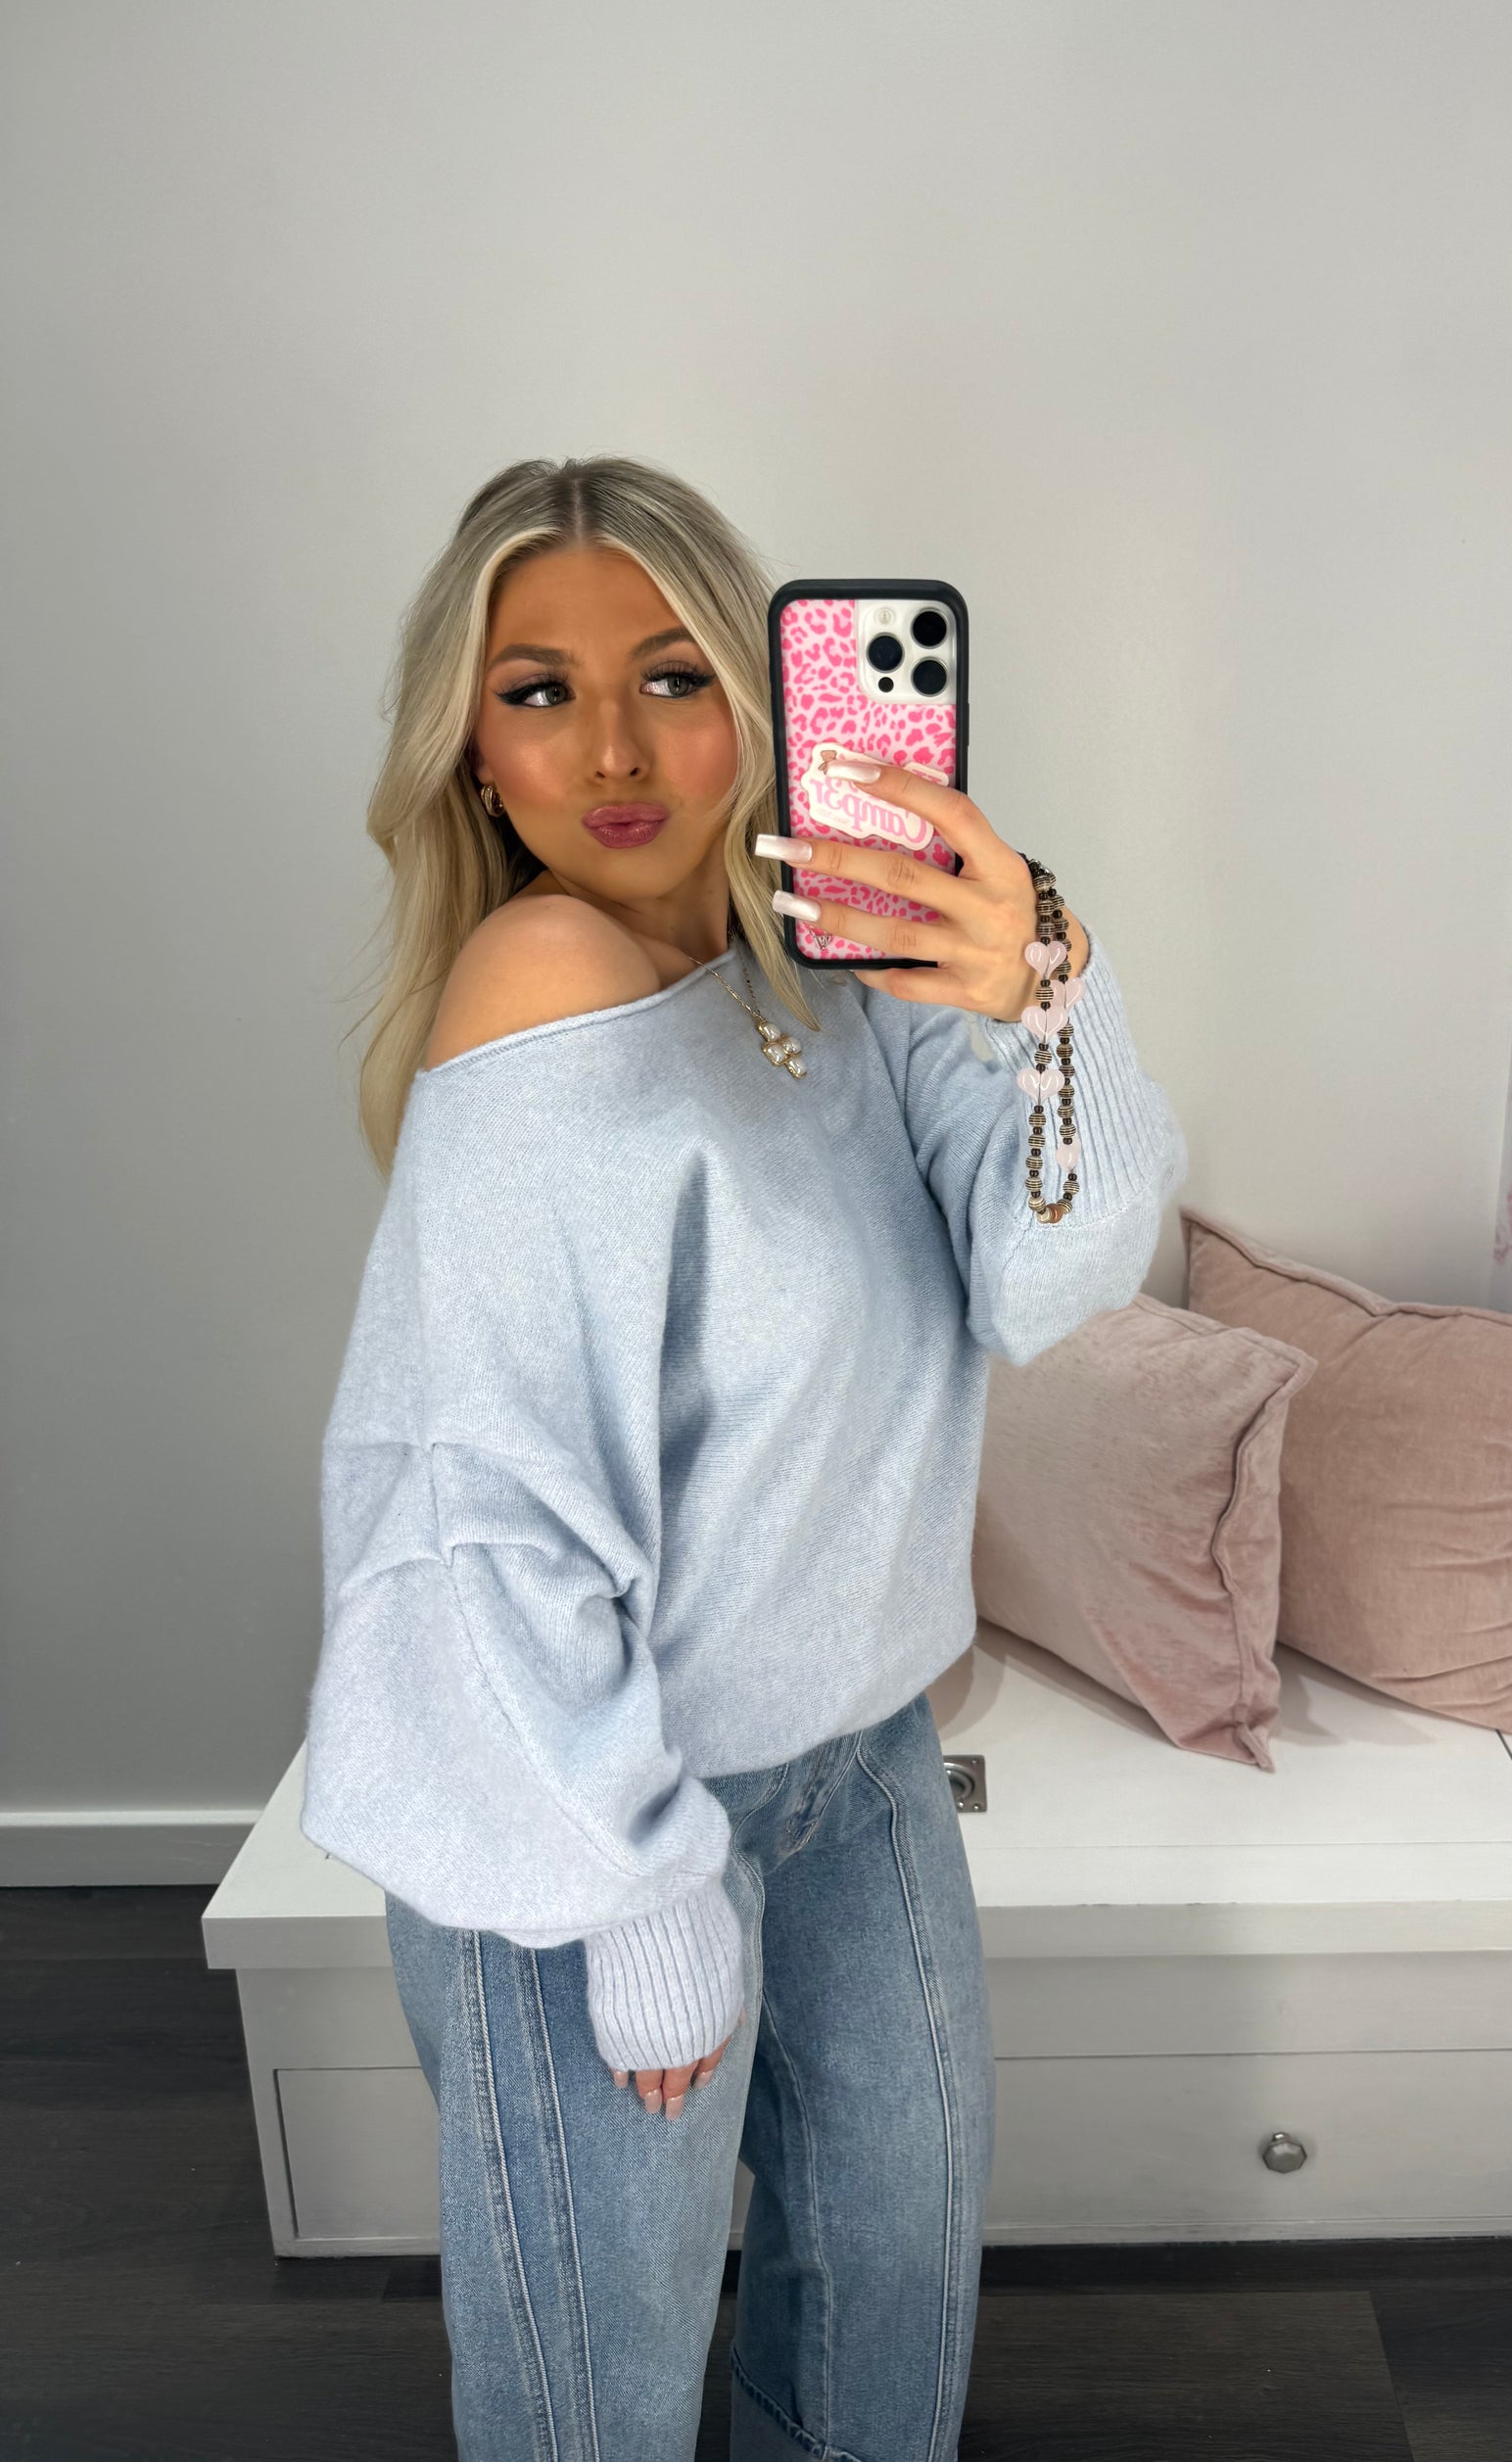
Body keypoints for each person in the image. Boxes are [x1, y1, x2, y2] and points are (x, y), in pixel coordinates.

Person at [300, 453, 1188, 2462]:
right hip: (601, 1802)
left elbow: (1048, 1278)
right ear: (469, 747)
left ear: (766, 693)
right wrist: (633, 1894)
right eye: (538, 690)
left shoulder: (841, 970)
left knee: (888, 2293)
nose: (613, 748)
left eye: (674, 673)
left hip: (860, 1756)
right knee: (596, 2397)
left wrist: (1049, 982)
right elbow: (468, 1501)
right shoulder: (539, 985)